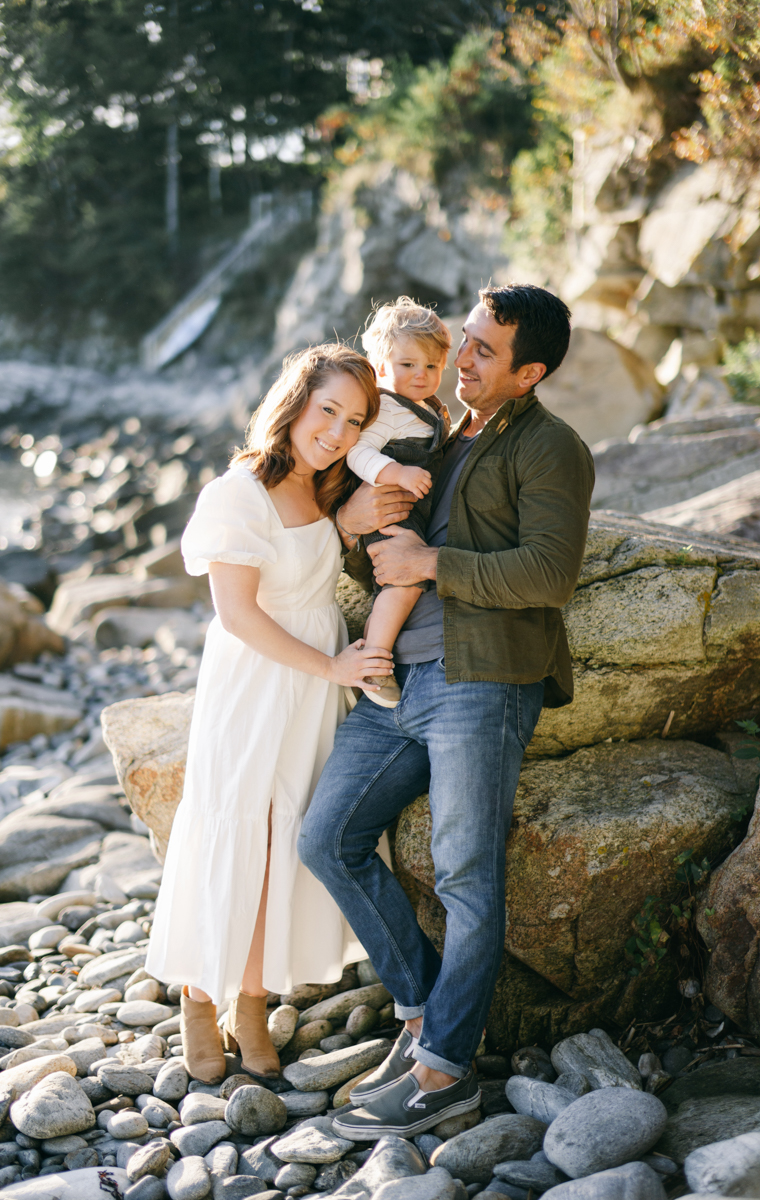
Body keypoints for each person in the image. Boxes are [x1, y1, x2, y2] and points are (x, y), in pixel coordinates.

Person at [299, 284, 596, 1138]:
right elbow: (390, 564)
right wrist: (362, 532)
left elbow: (548, 574)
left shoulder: (552, 448)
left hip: (482, 683)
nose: (461, 361)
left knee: (467, 872)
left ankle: (444, 1073)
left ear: (530, 371)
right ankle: (425, 1012)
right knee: (328, 839)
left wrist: (434, 561)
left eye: (483, 352)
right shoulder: (435, 432)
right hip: (395, 682)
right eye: (463, 342)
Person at [145, 343, 396, 1085]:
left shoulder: (329, 490)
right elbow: (238, 616)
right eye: (328, 411)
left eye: (355, 421)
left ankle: (249, 1001)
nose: (338, 432)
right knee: (234, 828)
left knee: (286, 837)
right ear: (294, 402)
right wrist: (333, 665)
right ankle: (197, 994)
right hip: (258, 681)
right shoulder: (236, 494)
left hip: (314, 690)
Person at [344, 298, 452, 710]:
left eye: (432, 367)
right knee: (405, 585)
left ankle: (376, 632)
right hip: (388, 508)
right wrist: (398, 473)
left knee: (400, 586)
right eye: (408, 365)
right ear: (381, 364)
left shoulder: (426, 408)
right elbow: (359, 452)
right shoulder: (386, 407)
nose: (421, 376)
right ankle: (374, 662)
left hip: (411, 512)